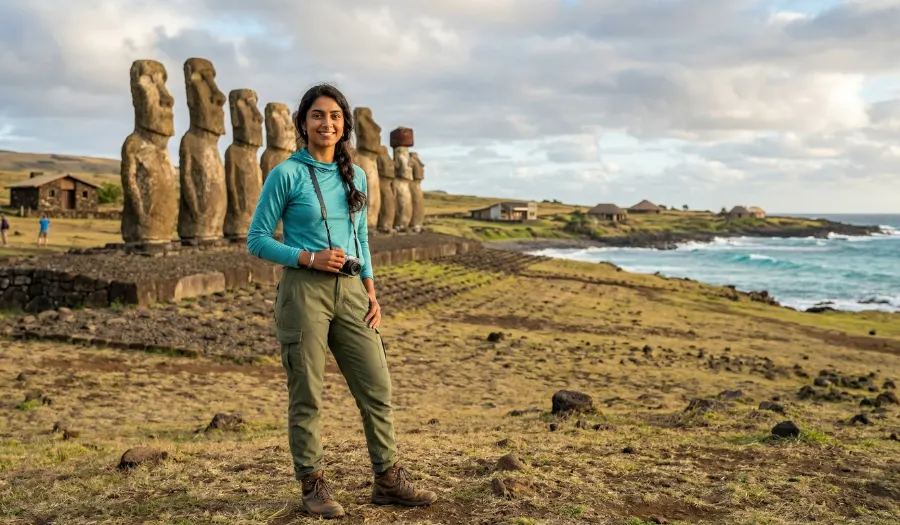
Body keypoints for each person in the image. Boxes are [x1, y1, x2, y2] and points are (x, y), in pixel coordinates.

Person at [247, 83, 437, 519]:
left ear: (344, 124)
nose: (326, 123)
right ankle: (312, 484)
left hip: (352, 292)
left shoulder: (359, 174)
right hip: (303, 291)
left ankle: (388, 479)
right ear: (303, 123)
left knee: (377, 387)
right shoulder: (287, 173)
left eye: (334, 116)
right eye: (317, 115)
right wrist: (307, 257)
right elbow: (256, 240)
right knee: (308, 392)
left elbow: (361, 238)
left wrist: (370, 288)